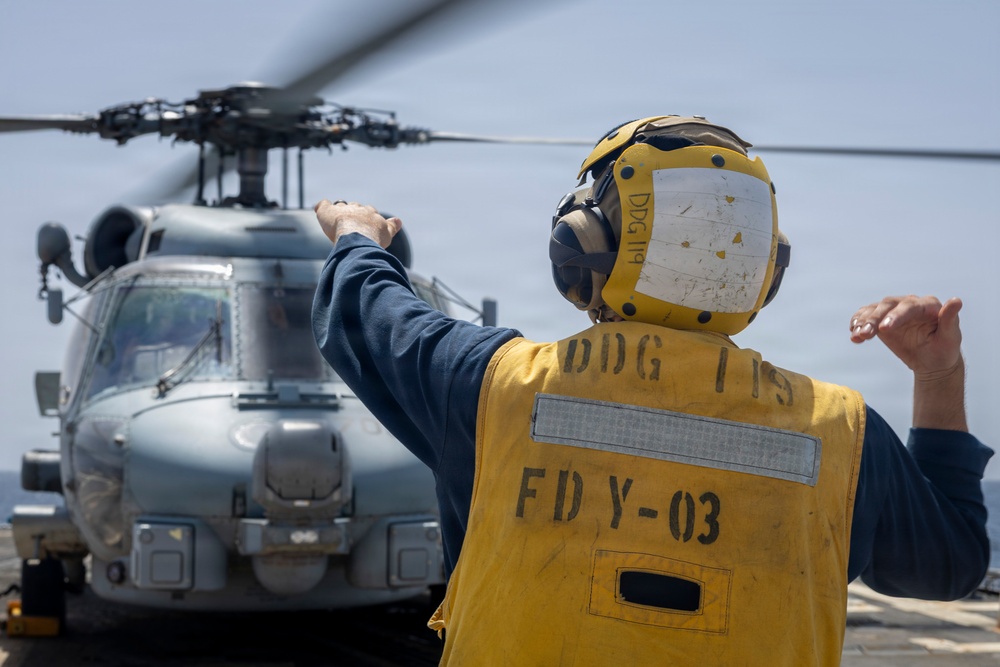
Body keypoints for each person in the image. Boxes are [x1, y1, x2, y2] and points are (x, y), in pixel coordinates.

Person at [311, 116, 992, 666]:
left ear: (580, 249)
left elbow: (367, 317)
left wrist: (359, 237)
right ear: (765, 271)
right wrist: (939, 375)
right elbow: (952, 565)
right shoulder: (843, 433)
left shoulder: (493, 388)